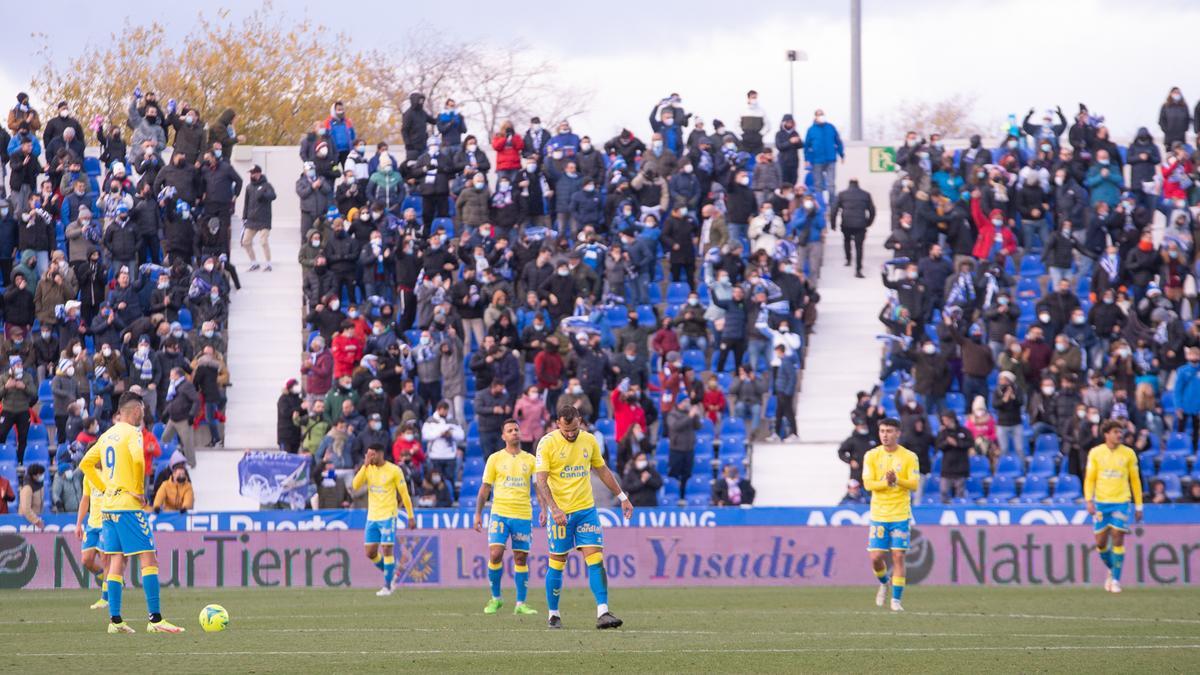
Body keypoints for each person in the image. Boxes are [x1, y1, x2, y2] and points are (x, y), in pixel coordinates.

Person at [78, 392, 185, 633]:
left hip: (108, 509)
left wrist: (105, 487)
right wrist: (138, 490)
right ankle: (155, 619)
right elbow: (138, 461)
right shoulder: (133, 433)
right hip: (128, 506)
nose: (143, 415)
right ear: (135, 410)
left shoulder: (106, 435)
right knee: (149, 558)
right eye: (143, 411)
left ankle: (115, 621)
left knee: (117, 559)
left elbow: (85, 463)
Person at [534, 405, 633, 630]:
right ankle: (553, 613)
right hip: (561, 512)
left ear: (580, 421)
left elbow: (603, 470)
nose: (571, 434)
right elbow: (541, 481)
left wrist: (622, 496)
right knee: (557, 563)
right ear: (558, 423)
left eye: (574, 429)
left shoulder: (589, 440)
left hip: (586, 510)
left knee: (596, 559)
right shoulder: (547, 443)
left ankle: (603, 612)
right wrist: (554, 509)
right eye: (566, 430)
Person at [472, 419, 539, 616]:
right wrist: (478, 514)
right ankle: (496, 598)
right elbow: (485, 488)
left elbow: (538, 487)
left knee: (520, 558)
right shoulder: (494, 459)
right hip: (500, 513)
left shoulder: (530, 460)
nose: (514, 433)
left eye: (516, 429)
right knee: (495, 554)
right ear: (503, 436)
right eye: (509, 430)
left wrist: (544, 509)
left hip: (523, 514)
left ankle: (521, 603)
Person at [861, 417, 919, 612]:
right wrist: (887, 482)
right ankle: (884, 582)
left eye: (889, 431)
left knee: (898, 556)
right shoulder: (871, 455)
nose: (885, 435)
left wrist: (897, 480)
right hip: (879, 513)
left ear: (898, 433)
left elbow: (914, 484)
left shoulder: (909, 456)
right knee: (876, 557)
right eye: (882, 431)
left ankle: (896, 600)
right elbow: (868, 484)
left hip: (900, 513)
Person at [1084, 419, 1143, 594]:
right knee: (1100, 543)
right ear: (1107, 434)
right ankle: (1112, 568)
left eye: (1121, 432)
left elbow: (1135, 480)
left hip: (1121, 502)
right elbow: (1090, 478)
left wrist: (1139, 506)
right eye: (1116, 432)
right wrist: (1088, 500)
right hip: (1102, 503)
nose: (1120, 435)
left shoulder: (1129, 454)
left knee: (1118, 536)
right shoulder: (1095, 453)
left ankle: (1116, 580)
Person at [351, 443, 417, 597]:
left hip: (388, 515)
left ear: (381, 454)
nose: (369, 457)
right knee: (370, 552)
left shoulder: (394, 470)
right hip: (372, 516)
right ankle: (391, 572)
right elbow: (355, 485)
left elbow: (405, 494)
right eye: (367, 454)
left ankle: (387, 586)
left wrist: (410, 516)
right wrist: (364, 466)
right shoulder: (368, 469)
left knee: (387, 549)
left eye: (372, 454)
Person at [76, 468, 110, 610]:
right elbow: (85, 499)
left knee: (105, 559)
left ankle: (105, 598)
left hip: (106, 523)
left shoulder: (110, 473)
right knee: (86, 560)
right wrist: (78, 523)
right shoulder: (89, 475)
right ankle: (111, 580)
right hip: (92, 525)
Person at [829, 178, 876, 278]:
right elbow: (872, 210)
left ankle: (848, 259)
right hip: (860, 224)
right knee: (859, 246)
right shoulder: (865, 194)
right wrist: (868, 222)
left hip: (846, 223)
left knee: (846, 241)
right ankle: (858, 269)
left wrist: (833, 224)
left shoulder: (842, 194)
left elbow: (834, 210)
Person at [241, 164, 276, 271]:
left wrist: (263, 196)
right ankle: (254, 262)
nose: (252, 175)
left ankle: (268, 263)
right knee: (245, 242)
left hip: (264, 219)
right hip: (252, 219)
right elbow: (246, 203)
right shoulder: (249, 187)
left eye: (253, 173)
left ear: (259, 173)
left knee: (263, 241)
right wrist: (244, 216)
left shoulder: (267, 185)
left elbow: (273, 196)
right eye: (251, 173)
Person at [803, 108, 844, 199]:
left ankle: (832, 205)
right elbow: (807, 146)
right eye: (819, 115)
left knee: (831, 184)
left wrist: (841, 154)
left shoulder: (831, 127)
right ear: (815, 117)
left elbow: (838, 141)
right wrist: (807, 159)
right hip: (816, 160)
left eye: (822, 114)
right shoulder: (811, 130)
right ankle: (820, 204)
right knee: (818, 185)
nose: (821, 116)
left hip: (830, 159)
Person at [19, 462, 45, 529]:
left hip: (36, 521)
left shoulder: (39, 485)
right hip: (26, 524)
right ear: (34, 475)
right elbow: (26, 509)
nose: (42, 475)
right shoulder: (27, 488)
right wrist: (36, 521)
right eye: (40, 474)